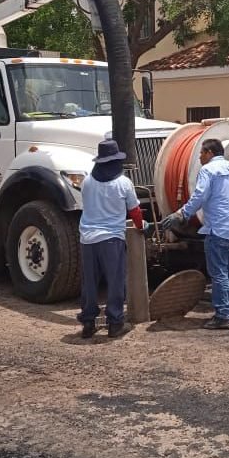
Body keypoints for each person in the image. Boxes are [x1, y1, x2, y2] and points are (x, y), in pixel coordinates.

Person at [162, 138, 229, 330]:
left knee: (219, 273)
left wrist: (182, 214)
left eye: (201, 154)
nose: (199, 157)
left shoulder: (208, 170)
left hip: (218, 230)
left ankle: (223, 315)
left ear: (209, 153)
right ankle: (228, 308)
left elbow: (199, 196)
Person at [77, 139, 144, 339]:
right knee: (115, 282)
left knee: (89, 283)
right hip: (111, 239)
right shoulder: (123, 183)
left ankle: (88, 323)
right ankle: (115, 323)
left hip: (87, 240)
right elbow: (135, 211)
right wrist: (143, 227)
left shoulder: (87, 181)